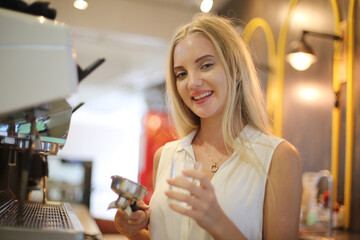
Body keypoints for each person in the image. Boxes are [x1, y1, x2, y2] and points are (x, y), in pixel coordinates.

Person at [114, 13, 302, 240]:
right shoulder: (166, 156)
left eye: (206, 65)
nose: (192, 83)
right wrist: (132, 232)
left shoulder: (278, 157)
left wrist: (217, 222)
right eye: (181, 74)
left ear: (237, 70)